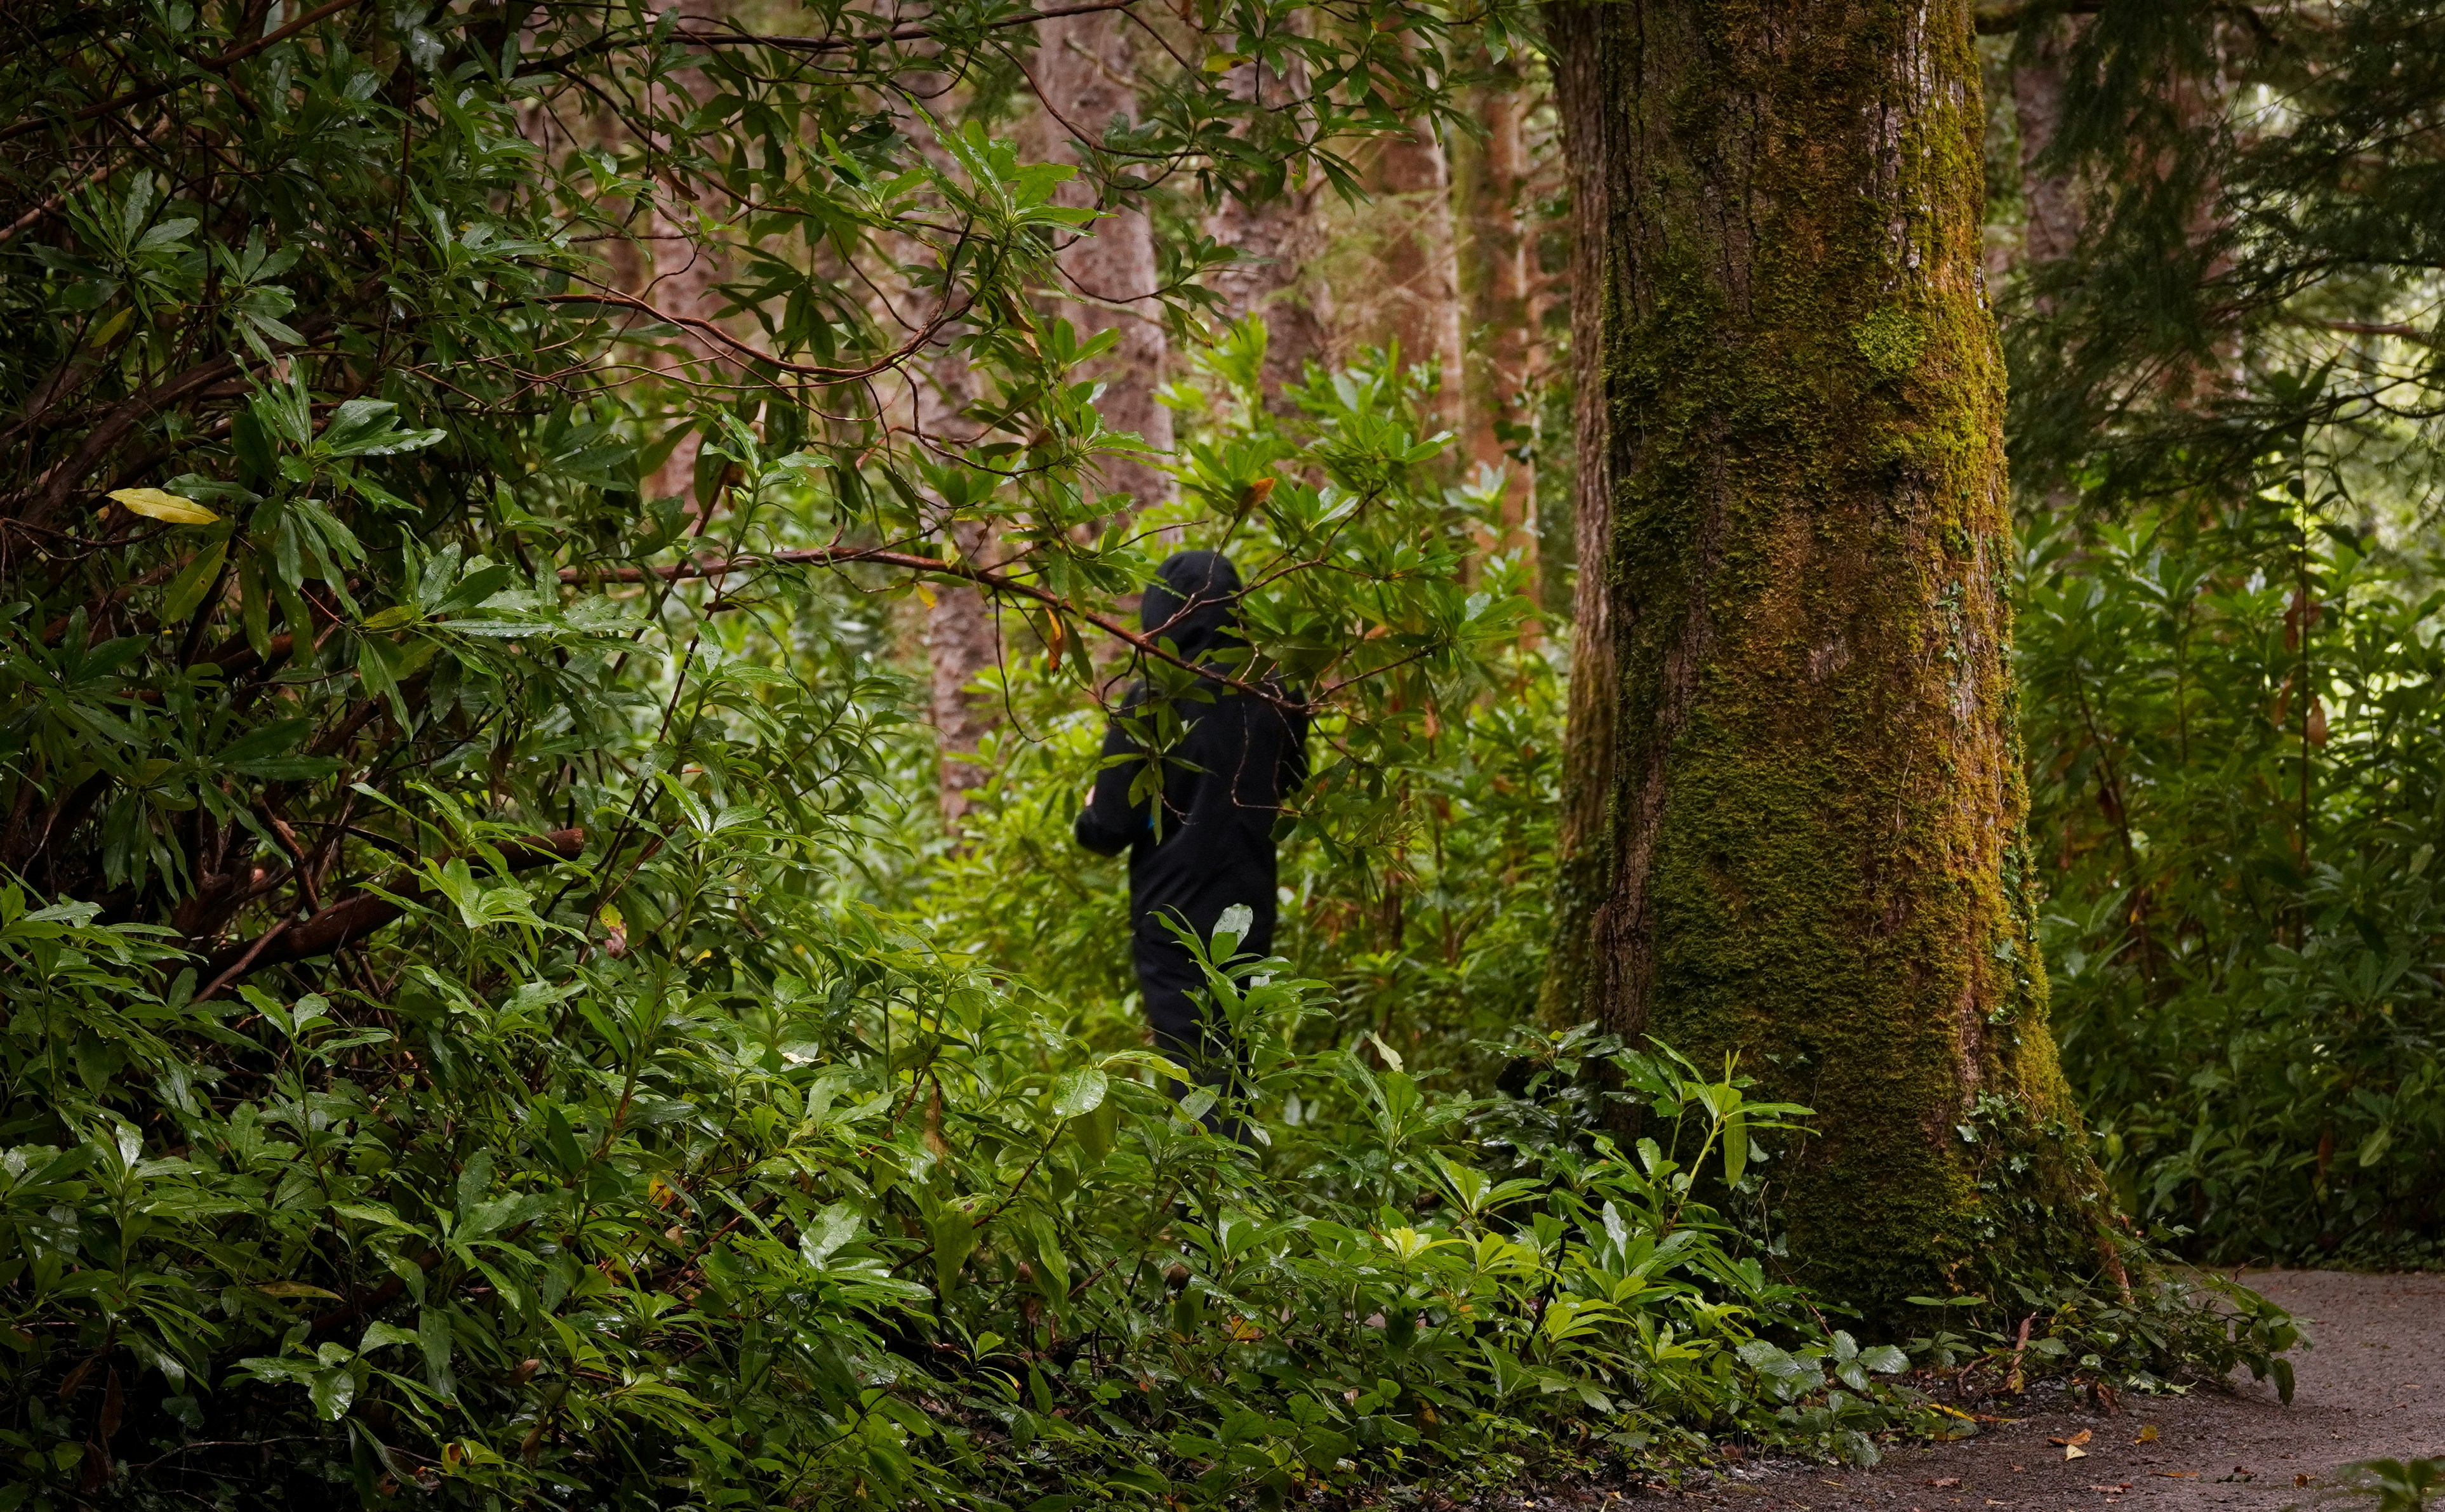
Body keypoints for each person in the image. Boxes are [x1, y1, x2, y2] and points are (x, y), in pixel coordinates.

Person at [1074, 551, 1309, 1122]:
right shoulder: (1276, 691)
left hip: (1172, 911)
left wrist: (1088, 813)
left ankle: (1205, 1204)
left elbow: (1108, 827)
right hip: (1248, 901)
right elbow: (1292, 779)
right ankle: (1230, 1195)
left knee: (1192, 1063)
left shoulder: (1154, 696)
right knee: (1230, 1052)